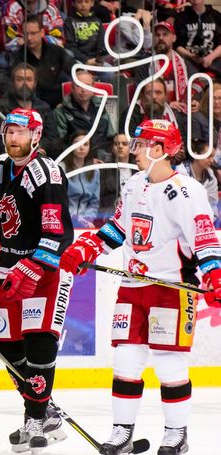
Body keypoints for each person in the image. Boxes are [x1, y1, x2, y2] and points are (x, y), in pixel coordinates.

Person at [59, 119, 221, 455]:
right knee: (126, 362)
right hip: (132, 286)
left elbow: (204, 239)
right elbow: (119, 228)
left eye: (141, 144)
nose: (134, 151)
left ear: (160, 149)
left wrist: (215, 275)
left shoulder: (187, 191)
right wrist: (88, 247)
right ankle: (122, 432)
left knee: (169, 365)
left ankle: (176, 433)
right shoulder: (134, 184)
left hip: (172, 289)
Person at [0, 108, 73, 453]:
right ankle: (45, 405)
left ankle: (35, 416)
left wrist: (35, 266)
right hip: (10, 268)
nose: (13, 139)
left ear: (35, 137)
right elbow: (1, 219)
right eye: (9, 132)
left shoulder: (46, 171)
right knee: (4, 342)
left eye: (21, 133)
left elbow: (58, 233)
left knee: (38, 341)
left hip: (45, 270)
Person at [0, 63, 57, 157]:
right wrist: (23, 150)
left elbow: (53, 137)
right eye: (20, 79)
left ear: (35, 83)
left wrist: (37, 148)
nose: (25, 84)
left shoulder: (44, 107)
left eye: (29, 80)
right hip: (10, 157)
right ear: (13, 82)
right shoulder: (0, 106)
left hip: (39, 156)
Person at [7, 16, 75, 109]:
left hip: (58, 103)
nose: (29, 38)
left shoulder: (56, 51)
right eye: (26, 34)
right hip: (32, 106)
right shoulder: (17, 57)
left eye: (33, 33)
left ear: (42, 32)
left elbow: (74, 68)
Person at [136, 22, 202, 113]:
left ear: (174, 38)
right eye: (157, 35)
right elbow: (141, 93)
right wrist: (166, 104)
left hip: (182, 109)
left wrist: (196, 101)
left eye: (165, 34)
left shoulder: (184, 63)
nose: (161, 38)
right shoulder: (145, 64)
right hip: (156, 110)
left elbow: (197, 84)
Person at [52, 70, 115, 161]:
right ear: (72, 88)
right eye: (79, 85)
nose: (83, 90)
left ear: (93, 88)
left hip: (102, 160)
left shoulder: (101, 108)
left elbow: (111, 138)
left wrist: (106, 158)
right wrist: (88, 160)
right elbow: (59, 145)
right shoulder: (62, 111)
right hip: (75, 163)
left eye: (87, 86)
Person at [119, 79, 187, 147]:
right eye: (149, 93)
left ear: (165, 95)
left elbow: (182, 141)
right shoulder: (131, 114)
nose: (154, 97)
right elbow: (128, 144)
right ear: (142, 95)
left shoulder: (174, 114)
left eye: (158, 92)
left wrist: (179, 150)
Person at [59, 131, 101, 228]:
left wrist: (86, 220)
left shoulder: (94, 170)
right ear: (71, 145)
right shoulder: (61, 168)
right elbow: (59, 199)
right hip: (64, 221)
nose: (81, 147)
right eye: (77, 143)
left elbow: (94, 201)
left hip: (85, 223)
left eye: (86, 144)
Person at [175, 140, 219, 223]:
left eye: (213, 157)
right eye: (208, 156)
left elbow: (213, 204)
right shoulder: (180, 173)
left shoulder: (211, 177)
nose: (212, 160)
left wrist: (208, 222)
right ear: (195, 154)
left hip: (204, 224)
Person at [174, 0, 221, 77]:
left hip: (213, 59)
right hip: (189, 60)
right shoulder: (181, 17)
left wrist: (210, 57)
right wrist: (191, 57)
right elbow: (177, 45)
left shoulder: (216, 16)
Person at [99, 134, 136, 222]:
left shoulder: (137, 170)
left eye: (124, 144)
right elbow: (101, 198)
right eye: (116, 144)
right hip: (111, 216)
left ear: (131, 147)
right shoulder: (105, 170)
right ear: (112, 147)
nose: (120, 146)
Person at [64, 0, 108, 66]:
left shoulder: (98, 21)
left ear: (92, 3)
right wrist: (85, 60)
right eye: (79, 2)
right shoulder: (69, 21)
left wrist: (97, 59)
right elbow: (70, 46)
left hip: (95, 60)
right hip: (77, 60)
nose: (83, 5)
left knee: (109, 74)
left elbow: (101, 44)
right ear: (74, 4)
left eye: (87, 1)